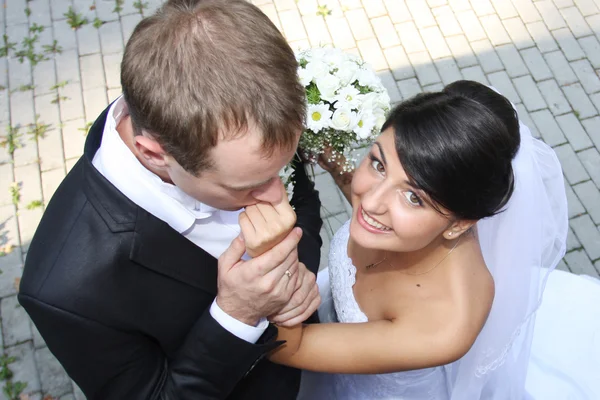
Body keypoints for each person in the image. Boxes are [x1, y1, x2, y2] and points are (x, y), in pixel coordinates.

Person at [17, 1, 323, 399]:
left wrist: (297, 275)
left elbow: (306, 203)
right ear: (154, 153)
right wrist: (236, 316)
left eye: (276, 171)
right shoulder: (66, 290)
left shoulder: (252, 116)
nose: (276, 193)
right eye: (245, 186)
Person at [257, 80, 589, 399]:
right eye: (378, 164)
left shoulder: (446, 325)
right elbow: (371, 205)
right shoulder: (396, 220)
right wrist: (338, 168)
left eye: (414, 198)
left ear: (459, 226)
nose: (371, 202)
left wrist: (270, 257)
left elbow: (290, 348)